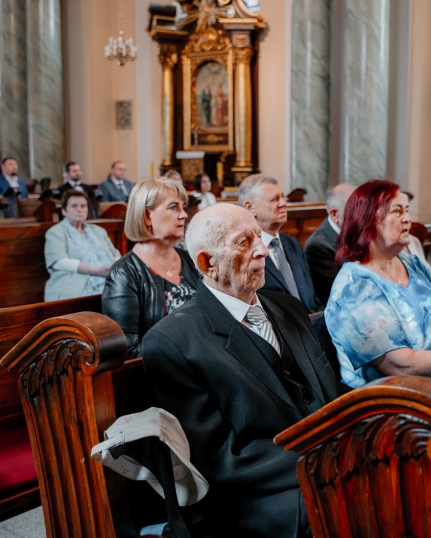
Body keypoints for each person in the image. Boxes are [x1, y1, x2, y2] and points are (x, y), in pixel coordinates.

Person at [143, 203, 343, 538]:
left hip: (327, 461)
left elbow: (329, 392)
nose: (262, 250)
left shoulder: (289, 308)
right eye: (244, 242)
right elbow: (219, 458)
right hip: (252, 498)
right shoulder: (173, 341)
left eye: (259, 238)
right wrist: (328, 456)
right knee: (349, 500)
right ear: (207, 263)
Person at [325, 180, 431, 389]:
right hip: (407, 397)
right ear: (367, 221)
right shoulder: (354, 288)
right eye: (397, 211)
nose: (407, 218)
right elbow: (403, 366)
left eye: (407, 210)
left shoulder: (411, 263)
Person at [102, 177, 198, 359]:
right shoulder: (123, 274)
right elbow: (129, 351)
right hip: (166, 370)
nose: (184, 215)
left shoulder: (191, 260)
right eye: (173, 207)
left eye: (183, 207)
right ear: (147, 216)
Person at [239, 174, 323, 314]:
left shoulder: (292, 243)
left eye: (283, 197)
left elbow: (312, 297)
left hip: (311, 321)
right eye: (274, 199)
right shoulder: (245, 251)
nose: (283, 203)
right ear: (250, 207)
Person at [44, 189, 121, 301]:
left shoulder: (98, 230)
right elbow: (59, 262)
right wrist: (94, 271)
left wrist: (117, 270)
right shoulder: (55, 232)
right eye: (74, 206)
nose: (79, 209)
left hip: (109, 279)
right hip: (77, 283)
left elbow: (115, 255)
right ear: (64, 211)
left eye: (83, 206)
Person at [304, 183, 356, 305]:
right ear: (334, 214)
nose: (362, 214)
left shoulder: (358, 234)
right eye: (354, 209)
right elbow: (341, 294)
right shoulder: (318, 247)